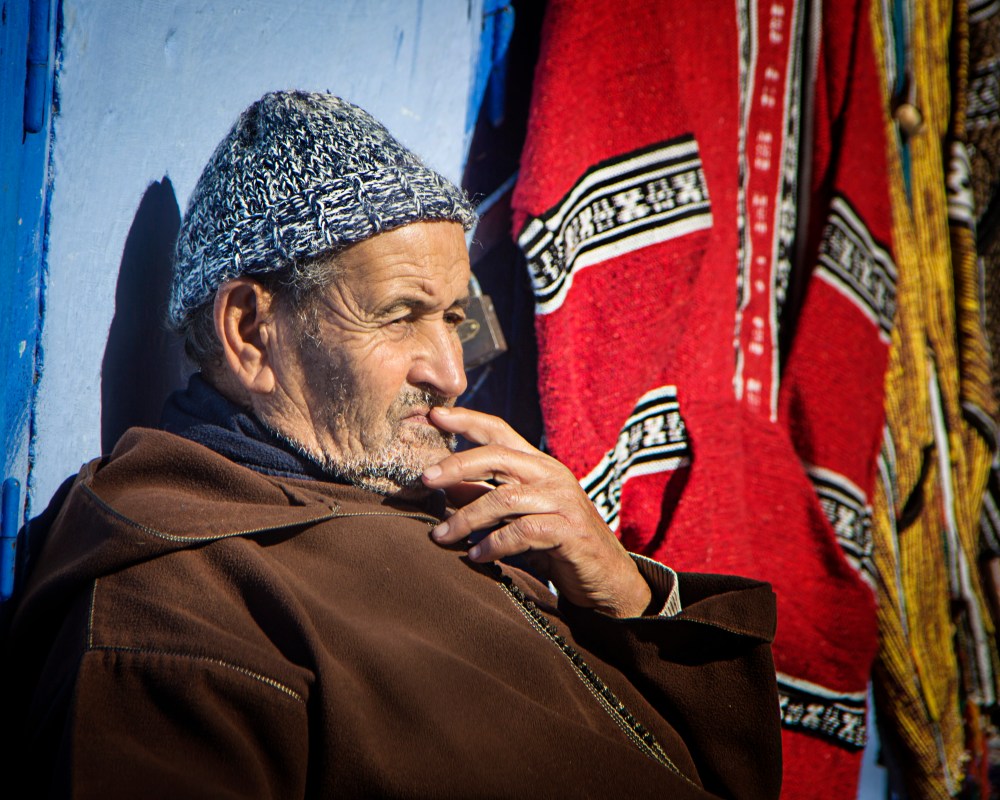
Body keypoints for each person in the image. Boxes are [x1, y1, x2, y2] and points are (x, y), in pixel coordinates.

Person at [1, 91, 781, 799]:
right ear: (251, 332)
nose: (451, 374)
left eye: (453, 318)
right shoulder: (176, 622)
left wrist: (629, 599)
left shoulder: (432, 502)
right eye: (401, 315)